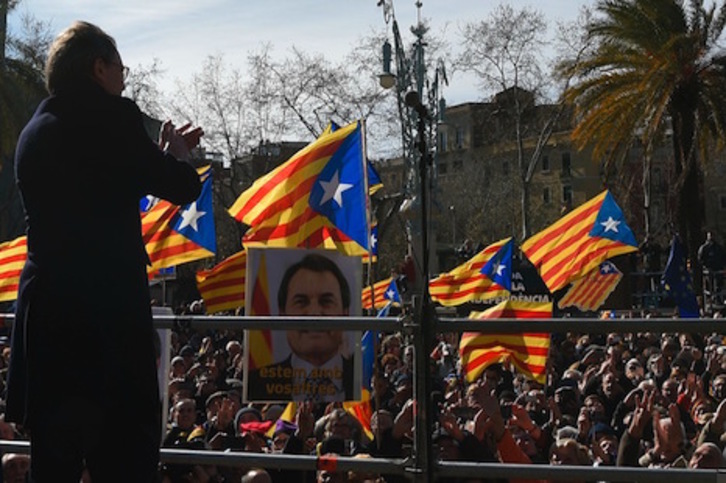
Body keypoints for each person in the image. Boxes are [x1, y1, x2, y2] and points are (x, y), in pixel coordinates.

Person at [6, 21, 203, 482]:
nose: (123, 79)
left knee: (53, 462)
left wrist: (143, 160)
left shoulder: (34, 130)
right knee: (122, 460)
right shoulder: (113, 117)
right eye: (121, 69)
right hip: (106, 326)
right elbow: (182, 187)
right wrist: (176, 157)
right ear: (98, 67)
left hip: (47, 324)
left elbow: (97, 186)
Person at [247, 253, 355, 401]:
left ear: (345, 312)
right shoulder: (256, 385)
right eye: (301, 302)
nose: (314, 313)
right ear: (282, 313)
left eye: (326, 301)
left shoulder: (364, 378)